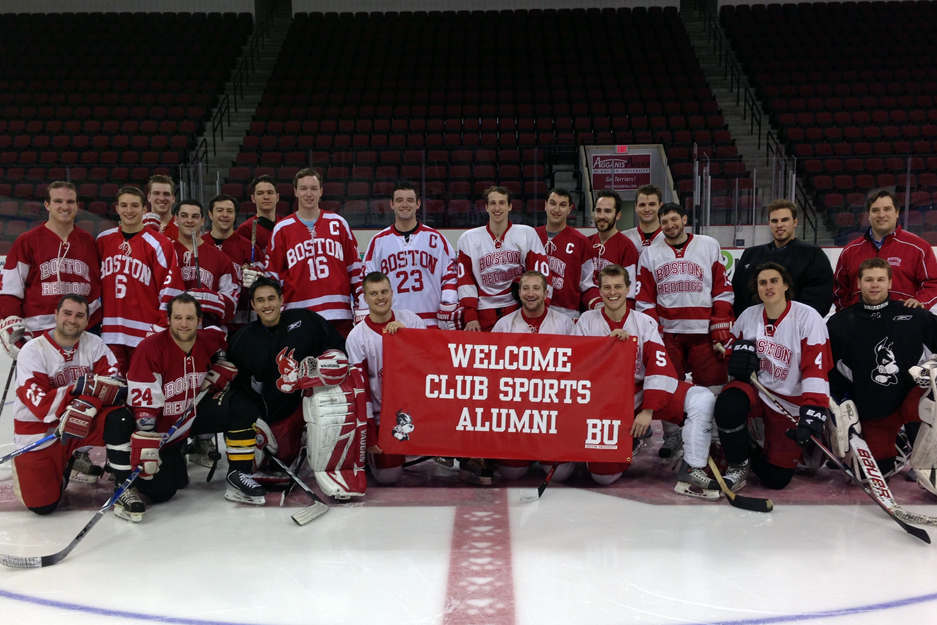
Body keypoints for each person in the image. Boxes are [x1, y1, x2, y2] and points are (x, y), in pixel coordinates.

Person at [103, 293, 254, 522]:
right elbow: (143, 406)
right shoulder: (150, 348)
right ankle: (123, 484)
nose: (184, 323)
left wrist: (219, 363)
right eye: (178, 318)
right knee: (163, 492)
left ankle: (239, 474)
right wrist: (148, 439)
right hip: (159, 429)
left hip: (187, 419)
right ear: (169, 320)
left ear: (199, 320)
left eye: (190, 318)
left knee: (240, 406)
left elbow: (221, 339)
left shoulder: (206, 339)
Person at [574, 265, 717, 496]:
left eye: (618, 286)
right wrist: (605, 347)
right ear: (599, 291)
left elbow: (659, 367)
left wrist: (648, 411)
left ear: (628, 289)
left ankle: (692, 467)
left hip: (640, 395)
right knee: (602, 477)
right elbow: (577, 368)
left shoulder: (643, 322)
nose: (613, 292)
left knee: (702, 398)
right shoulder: (586, 322)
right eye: (607, 287)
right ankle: (628, 441)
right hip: (605, 404)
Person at [226, 277, 355, 493]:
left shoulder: (306, 320)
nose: (267, 305)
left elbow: (336, 349)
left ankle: (334, 463)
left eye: (271, 299)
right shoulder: (243, 340)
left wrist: (328, 364)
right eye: (260, 300)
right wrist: (255, 419)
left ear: (281, 300)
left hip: (309, 400)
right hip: (277, 413)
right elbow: (239, 389)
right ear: (254, 305)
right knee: (282, 456)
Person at [715, 262, 832, 491]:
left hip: (789, 402)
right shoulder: (749, 316)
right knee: (728, 405)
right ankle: (738, 463)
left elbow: (815, 367)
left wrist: (814, 408)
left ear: (785, 285)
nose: (769, 286)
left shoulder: (807, 317)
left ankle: (749, 449)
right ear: (757, 289)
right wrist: (735, 354)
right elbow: (731, 346)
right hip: (758, 391)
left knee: (776, 479)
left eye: (774, 281)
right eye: (762, 283)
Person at [828, 258, 937, 486]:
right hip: (875, 410)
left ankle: (928, 456)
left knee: (930, 397)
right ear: (859, 283)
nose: (874, 285)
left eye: (880, 279)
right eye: (868, 279)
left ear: (890, 282)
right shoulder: (839, 324)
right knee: (872, 473)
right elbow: (831, 374)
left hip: (911, 401)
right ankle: (899, 446)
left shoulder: (915, 316)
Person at [11, 295, 125, 514]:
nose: (73, 320)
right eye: (67, 313)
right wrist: (82, 389)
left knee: (120, 418)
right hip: (41, 432)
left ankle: (123, 486)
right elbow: (41, 405)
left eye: (80, 315)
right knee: (42, 506)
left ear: (87, 320)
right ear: (56, 315)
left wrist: (85, 401)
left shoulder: (95, 344)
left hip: (82, 424)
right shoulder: (33, 351)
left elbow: (113, 386)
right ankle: (63, 466)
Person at [635, 202, 734, 393]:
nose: (670, 225)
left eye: (674, 219)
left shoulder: (708, 244)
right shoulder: (650, 254)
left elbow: (722, 288)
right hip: (670, 333)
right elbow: (645, 299)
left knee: (712, 386)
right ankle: (675, 424)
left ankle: (707, 424)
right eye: (664, 222)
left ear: (684, 219)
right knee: (668, 387)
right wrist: (655, 330)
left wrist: (721, 319)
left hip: (704, 332)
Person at [0, 181, 102, 361]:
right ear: (47, 205)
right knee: (35, 389)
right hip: (38, 335)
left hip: (81, 334)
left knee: (79, 389)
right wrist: (10, 320)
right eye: (58, 201)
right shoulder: (27, 241)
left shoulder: (88, 242)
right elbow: (10, 289)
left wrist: (91, 326)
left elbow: (95, 291)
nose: (65, 206)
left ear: (77, 206)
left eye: (70, 202)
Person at [490, 270, 576, 482]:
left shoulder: (564, 324)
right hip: (517, 413)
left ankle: (555, 454)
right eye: (526, 288)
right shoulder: (503, 325)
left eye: (536, 288)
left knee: (560, 475)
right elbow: (491, 370)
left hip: (553, 411)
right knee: (511, 473)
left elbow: (578, 368)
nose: (531, 293)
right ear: (519, 293)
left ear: (546, 292)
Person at [346, 271, 426, 485]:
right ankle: (373, 458)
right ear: (364, 297)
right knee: (388, 477)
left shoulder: (411, 320)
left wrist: (408, 337)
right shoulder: (357, 337)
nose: (380, 298)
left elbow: (431, 362)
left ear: (392, 293)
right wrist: (370, 436)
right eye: (373, 293)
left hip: (417, 411)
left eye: (384, 292)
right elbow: (360, 391)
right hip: (383, 417)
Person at [96, 186, 184, 373]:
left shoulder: (160, 244)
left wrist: (161, 327)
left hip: (145, 334)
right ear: (117, 208)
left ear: (145, 210)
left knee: (143, 391)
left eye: (135, 205)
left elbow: (171, 290)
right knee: (113, 392)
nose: (129, 210)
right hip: (109, 334)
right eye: (124, 205)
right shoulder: (102, 241)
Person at [265, 168, 362, 336]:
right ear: (295, 191)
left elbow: (355, 269)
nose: (308, 194)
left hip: (338, 313)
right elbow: (273, 277)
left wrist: (361, 307)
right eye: (303, 188)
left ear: (321, 191)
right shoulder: (282, 229)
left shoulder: (338, 223)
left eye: (313, 188)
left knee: (340, 361)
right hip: (298, 314)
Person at [359, 181, 459, 328]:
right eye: (399, 200)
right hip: (392, 324)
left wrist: (448, 310)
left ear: (418, 204)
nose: (404, 205)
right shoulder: (378, 242)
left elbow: (450, 277)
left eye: (410, 200)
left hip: (431, 322)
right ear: (391, 204)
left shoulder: (437, 239)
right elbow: (367, 283)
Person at [456, 186, 551, 332]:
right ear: (486, 207)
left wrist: (543, 307)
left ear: (510, 206)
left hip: (517, 308)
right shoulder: (469, 239)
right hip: (483, 311)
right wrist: (470, 314)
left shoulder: (526, 234)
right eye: (493, 203)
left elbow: (540, 275)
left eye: (502, 203)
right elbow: (466, 280)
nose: (497, 208)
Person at [833, 190, 937, 311]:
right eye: (875, 210)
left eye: (887, 209)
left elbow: (932, 283)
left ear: (897, 212)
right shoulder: (850, 251)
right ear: (869, 215)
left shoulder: (918, 247)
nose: (881, 215)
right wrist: (847, 314)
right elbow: (840, 290)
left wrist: (920, 302)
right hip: (860, 323)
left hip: (903, 320)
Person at [732, 200, 833, 318]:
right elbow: (738, 295)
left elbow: (819, 298)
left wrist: (795, 322)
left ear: (795, 222)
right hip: (755, 328)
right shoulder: (751, 255)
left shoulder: (812, 254)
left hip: (796, 328)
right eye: (774, 221)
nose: (779, 225)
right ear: (769, 223)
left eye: (785, 220)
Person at [171, 199, 239, 328]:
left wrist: (209, 300)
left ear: (202, 221)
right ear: (175, 219)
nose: (189, 220)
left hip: (207, 330)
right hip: (173, 331)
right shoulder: (165, 252)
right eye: (184, 216)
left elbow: (231, 301)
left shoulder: (220, 257)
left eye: (195, 217)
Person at [535, 188, 600, 319]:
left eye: (563, 205)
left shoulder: (581, 241)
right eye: (553, 203)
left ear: (570, 209)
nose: (557, 209)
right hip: (534, 310)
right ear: (545, 205)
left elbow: (587, 283)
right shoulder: (531, 236)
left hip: (567, 314)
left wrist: (596, 303)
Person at [204, 193, 264, 330]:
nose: (225, 215)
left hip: (242, 324)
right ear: (210, 214)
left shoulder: (249, 248)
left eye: (229, 211)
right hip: (206, 323)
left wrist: (259, 279)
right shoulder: (200, 246)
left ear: (235, 215)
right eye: (219, 210)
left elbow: (265, 283)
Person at [587, 190, 640, 308]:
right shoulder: (586, 243)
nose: (601, 216)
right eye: (598, 211)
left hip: (615, 314)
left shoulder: (627, 247)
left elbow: (630, 293)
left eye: (607, 211)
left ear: (618, 215)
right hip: (588, 313)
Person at [235, 174, 280, 252]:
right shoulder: (245, 229)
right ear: (253, 198)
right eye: (260, 193)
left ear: (277, 197)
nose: (266, 197)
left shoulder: (286, 224)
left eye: (270, 193)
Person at [622, 183, 665, 249]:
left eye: (652, 204)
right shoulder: (624, 238)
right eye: (642, 205)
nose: (647, 209)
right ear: (636, 207)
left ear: (660, 206)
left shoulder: (669, 237)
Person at [143, 175, 179, 240]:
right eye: (156, 193)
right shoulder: (139, 224)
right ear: (148, 197)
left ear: (173, 198)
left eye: (166, 194)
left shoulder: (181, 227)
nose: (161, 198)